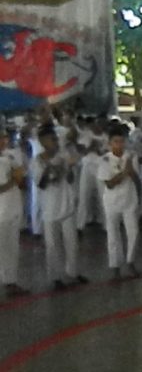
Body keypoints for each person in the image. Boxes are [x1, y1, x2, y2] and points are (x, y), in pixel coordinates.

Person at [32, 124, 88, 289]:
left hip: (67, 204)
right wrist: (50, 167)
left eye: (56, 139)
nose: (55, 142)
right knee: (52, 245)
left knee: (72, 243)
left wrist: (68, 168)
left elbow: (70, 179)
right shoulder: (37, 160)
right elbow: (41, 184)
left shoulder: (63, 155)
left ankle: (72, 273)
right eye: (52, 139)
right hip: (50, 207)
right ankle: (55, 277)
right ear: (43, 142)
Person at [97, 125, 142, 278]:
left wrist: (131, 171)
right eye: (116, 142)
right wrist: (124, 173)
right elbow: (109, 184)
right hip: (112, 201)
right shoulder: (105, 160)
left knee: (133, 232)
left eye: (122, 141)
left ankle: (130, 261)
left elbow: (137, 178)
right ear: (110, 143)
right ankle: (115, 266)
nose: (120, 145)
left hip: (129, 199)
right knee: (113, 234)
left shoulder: (131, 156)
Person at [0, 127, 28, 295]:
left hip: (13, 208)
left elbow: (21, 180)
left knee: (12, 248)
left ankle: (11, 281)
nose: (4, 141)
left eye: (4, 137)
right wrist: (14, 179)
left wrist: (20, 178)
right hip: (1, 212)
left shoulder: (9, 157)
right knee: (3, 249)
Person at [76, 118, 107, 231]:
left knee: (103, 196)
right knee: (84, 195)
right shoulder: (86, 136)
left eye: (99, 124)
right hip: (87, 167)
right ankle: (80, 225)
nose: (96, 127)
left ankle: (106, 224)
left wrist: (99, 150)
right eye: (94, 125)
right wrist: (92, 146)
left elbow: (106, 153)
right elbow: (82, 151)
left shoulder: (105, 137)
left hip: (100, 167)